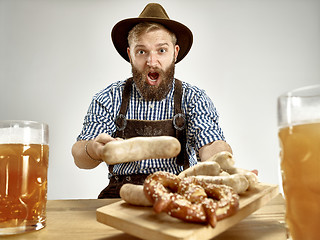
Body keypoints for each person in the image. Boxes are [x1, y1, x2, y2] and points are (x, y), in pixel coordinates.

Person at [72, 3, 232, 198]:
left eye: (161, 50)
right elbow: (80, 158)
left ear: (175, 52)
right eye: (142, 51)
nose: (151, 61)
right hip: (122, 195)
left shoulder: (194, 98)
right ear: (130, 55)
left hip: (177, 194)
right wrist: (94, 149)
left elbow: (211, 145)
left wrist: (224, 165)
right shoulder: (108, 98)